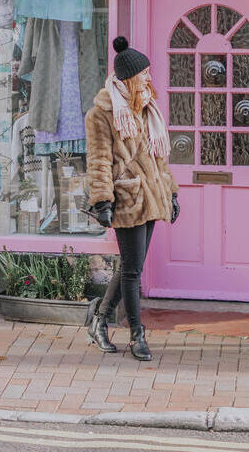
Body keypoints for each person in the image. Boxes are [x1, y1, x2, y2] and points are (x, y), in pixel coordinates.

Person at [85, 37, 180, 361]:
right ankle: (137, 336)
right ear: (129, 79)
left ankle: (99, 320)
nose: (149, 80)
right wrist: (102, 202)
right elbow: (98, 160)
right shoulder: (101, 114)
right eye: (144, 75)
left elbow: (159, 159)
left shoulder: (146, 108)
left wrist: (172, 193)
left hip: (151, 196)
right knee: (132, 272)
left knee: (130, 266)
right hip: (125, 198)